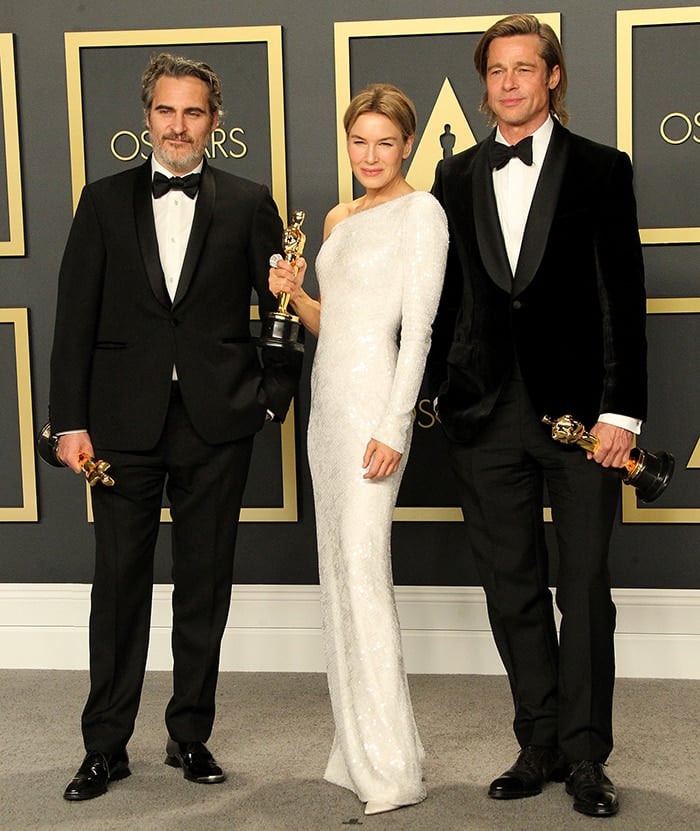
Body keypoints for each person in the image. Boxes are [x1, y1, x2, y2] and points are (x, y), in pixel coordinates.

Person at [50, 53, 302, 800]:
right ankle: (105, 745)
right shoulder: (100, 202)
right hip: (120, 425)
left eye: (194, 112)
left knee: (203, 584)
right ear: (147, 118)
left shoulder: (251, 200)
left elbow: (282, 309)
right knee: (118, 586)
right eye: (167, 110)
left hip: (216, 419)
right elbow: (73, 321)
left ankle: (190, 733)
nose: (179, 125)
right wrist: (69, 422)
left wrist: (270, 398)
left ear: (215, 123)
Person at [428, 14, 647, 819]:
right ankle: (539, 739)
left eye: (526, 68)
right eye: (497, 71)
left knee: (583, 584)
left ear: (552, 77)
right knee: (510, 583)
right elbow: (446, 301)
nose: (510, 83)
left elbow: (623, 296)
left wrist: (623, 410)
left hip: (586, 418)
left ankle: (588, 754)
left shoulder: (601, 168)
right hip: (484, 412)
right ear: (484, 84)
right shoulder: (452, 178)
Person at [269, 83, 448, 815]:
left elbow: (420, 330)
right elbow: (330, 323)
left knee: (366, 570)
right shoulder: (340, 217)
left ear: (407, 144)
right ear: (347, 143)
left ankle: (393, 766)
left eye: (385, 141)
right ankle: (356, 747)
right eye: (358, 141)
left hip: (377, 408)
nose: (370, 155)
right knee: (337, 570)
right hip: (327, 412)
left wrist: (395, 424)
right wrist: (296, 291)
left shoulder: (423, 213)